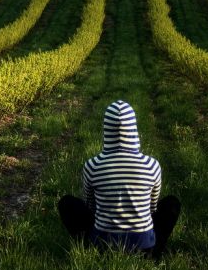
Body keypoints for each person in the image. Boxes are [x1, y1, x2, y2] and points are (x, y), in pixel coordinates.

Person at [57, 100, 181, 259]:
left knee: (67, 203)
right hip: (143, 246)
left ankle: (87, 244)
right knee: (171, 203)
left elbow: (90, 205)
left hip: (103, 245)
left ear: (106, 129)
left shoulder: (92, 165)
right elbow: (152, 208)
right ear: (133, 129)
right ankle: (155, 252)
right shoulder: (152, 165)